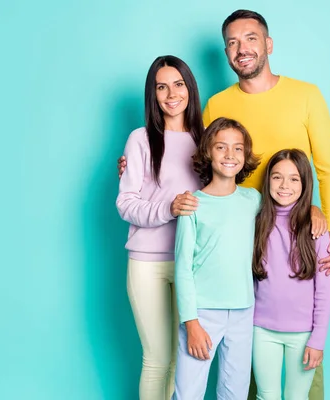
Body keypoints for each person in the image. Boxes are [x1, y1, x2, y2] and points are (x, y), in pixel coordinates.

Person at [202, 10, 330, 398]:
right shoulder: (216, 104)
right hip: (239, 243)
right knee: (243, 346)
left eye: (250, 38)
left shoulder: (306, 95)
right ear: (226, 53)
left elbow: (328, 170)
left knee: (304, 358)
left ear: (268, 45)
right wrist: (143, 164)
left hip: (296, 236)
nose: (241, 48)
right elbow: (201, 167)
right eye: (231, 42)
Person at [115, 55, 203, 399]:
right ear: (152, 95)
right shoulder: (140, 139)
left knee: (185, 361)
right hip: (147, 263)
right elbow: (126, 202)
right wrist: (168, 207)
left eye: (178, 84)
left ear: (189, 89)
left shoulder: (206, 138)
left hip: (192, 264)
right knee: (157, 359)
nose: (171, 94)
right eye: (161, 87)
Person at [172, 117, 261, 400]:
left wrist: (315, 212)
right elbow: (183, 268)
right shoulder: (193, 204)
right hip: (202, 313)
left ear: (245, 155)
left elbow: (288, 210)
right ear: (208, 153)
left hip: (243, 311)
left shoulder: (253, 200)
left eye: (237, 148)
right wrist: (191, 322)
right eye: (221, 147)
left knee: (235, 393)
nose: (230, 155)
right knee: (188, 393)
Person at [251, 149, 330, 399]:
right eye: (277, 177)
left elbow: (324, 292)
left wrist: (317, 340)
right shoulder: (256, 222)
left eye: (294, 179)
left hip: (303, 333)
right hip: (261, 330)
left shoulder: (316, 228)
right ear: (268, 181)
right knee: (267, 396)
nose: (284, 185)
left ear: (305, 183)